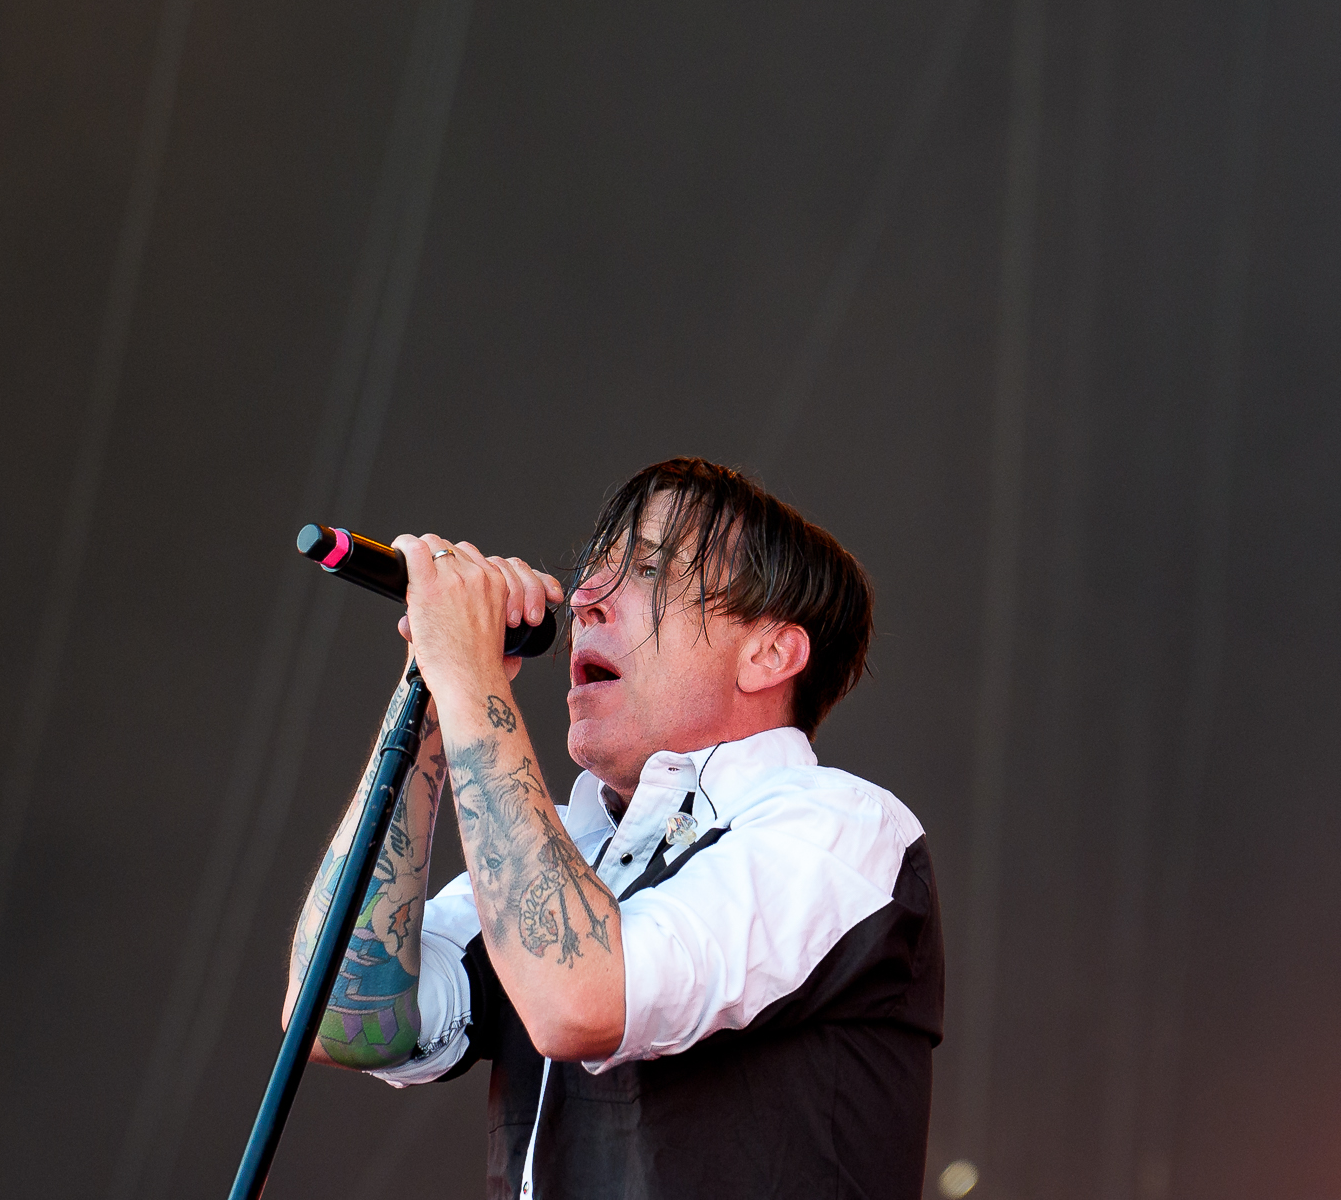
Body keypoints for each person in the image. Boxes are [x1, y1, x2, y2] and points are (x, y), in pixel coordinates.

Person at [283, 457, 943, 1199]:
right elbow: (339, 1016)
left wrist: (471, 675)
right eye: (594, 571)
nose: (585, 600)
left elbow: (579, 1001)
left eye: (650, 571)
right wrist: (435, 692)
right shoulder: (565, 848)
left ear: (769, 654)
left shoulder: (840, 829)